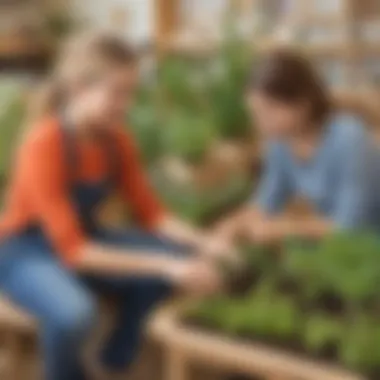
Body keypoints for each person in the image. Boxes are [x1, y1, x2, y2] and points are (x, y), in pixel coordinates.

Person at [0, 32, 232, 380]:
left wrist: (205, 242)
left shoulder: (116, 141)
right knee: (75, 313)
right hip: (24, 253)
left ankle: (115, 361)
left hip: (84, 240)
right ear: (79, 89)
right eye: (116, 93)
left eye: (131, 93)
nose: (125, 105)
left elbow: (153, 215)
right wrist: (166, 265)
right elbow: (75, 252)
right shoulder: (43, 144)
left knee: (180, 263)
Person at [217, 49, 380, 246]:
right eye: (256, 113)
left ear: (302, 104)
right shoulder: (281, 144)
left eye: (269, 111)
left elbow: (349, 227)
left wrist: (283, 229)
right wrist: (231, 226)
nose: (260, 123)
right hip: (336, 249)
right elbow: (266, 201)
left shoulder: (348, 139)